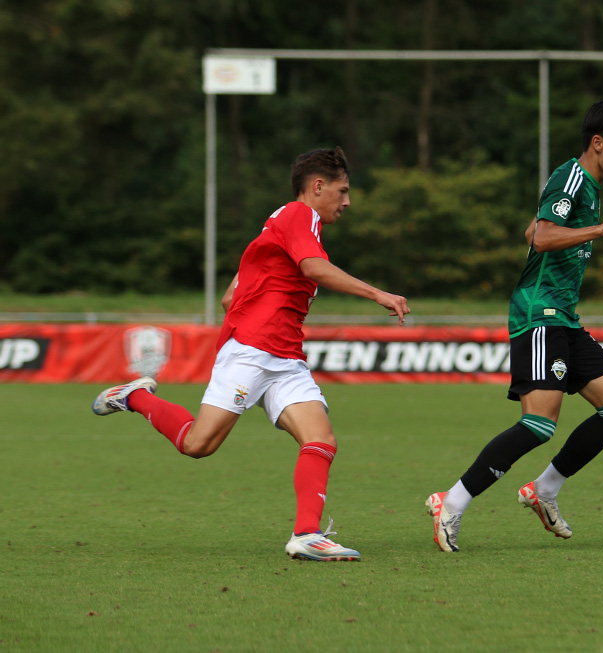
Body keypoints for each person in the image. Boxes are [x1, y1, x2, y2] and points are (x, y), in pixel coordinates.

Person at [92, 147, 409, 562]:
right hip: (255, 349)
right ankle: (134, 396)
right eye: (342, 190)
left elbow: (229, 297)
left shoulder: (277, 226)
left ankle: (307, 535)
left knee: (320, 438)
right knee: (198, 444)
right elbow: (313, 269)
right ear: (318, 187)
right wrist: (377, 293)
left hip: (285, 356)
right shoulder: (300, 216)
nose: (347, 201)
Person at [425, 99, 603, 552]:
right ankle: (453, 501)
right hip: (538, 313)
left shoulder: (586, 185)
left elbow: (533, 231)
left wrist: (561, 227)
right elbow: (543, 237)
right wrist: (601, 230)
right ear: (598, 143)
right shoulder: (572, 178)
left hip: (564, 316)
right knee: (539, 424)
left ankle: (543, 490)